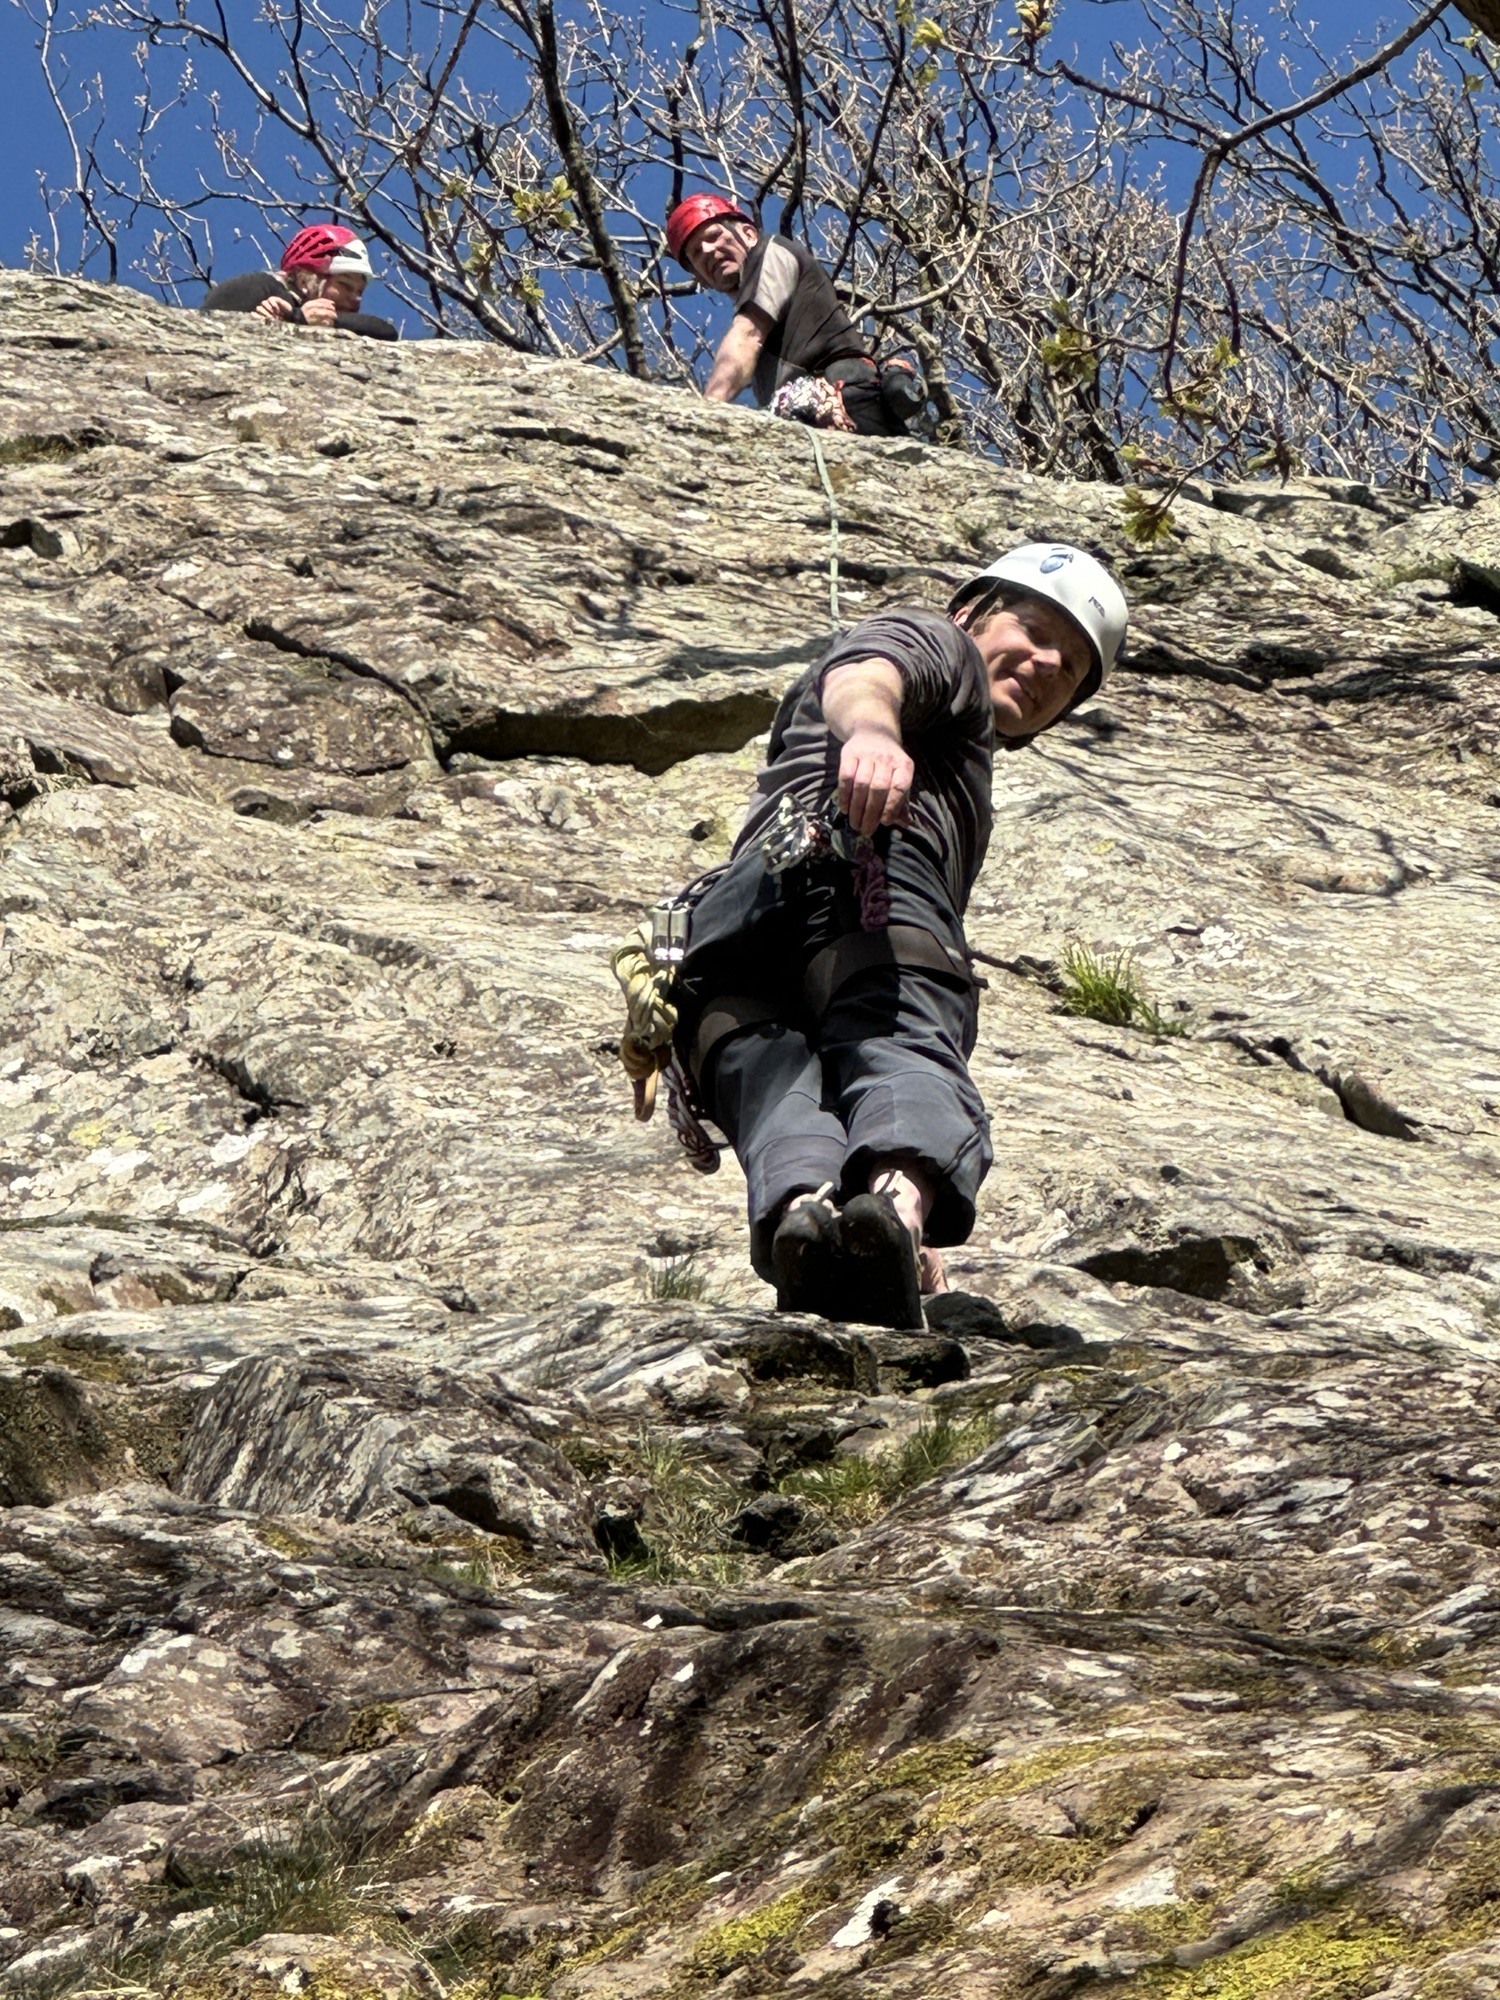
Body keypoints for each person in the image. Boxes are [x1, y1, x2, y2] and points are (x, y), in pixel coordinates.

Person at [668, 544, 1128, 1330]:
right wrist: (875, 735)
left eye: (1073, 667)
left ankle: (809, 1222)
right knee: (906, 1043)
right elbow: (872, 671)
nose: (1050, 661)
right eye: (1034, 628)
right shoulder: (944, 648)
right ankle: (895, 1211)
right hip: (871, 885)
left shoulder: (931, 726)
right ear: (970, 614)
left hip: (729, 938)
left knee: (777, 1089)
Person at [665, 194, 924, 437]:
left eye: (714, 236)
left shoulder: (773, 252)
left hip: (844, 398)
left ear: (748, 234)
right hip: (821, 413)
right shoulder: (760, 318)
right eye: (696, 252)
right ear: (701, 278)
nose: (707, 250)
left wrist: (708, 411)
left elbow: (747, 336)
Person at [200, 225, 397, 342]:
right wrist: (293, 319)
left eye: (360, 291)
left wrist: (298, 318)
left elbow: (385, 332)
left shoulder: (314, 316)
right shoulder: (258, 287)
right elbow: (212, 326)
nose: (356, 298)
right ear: (304, 280)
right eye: (345, 285)